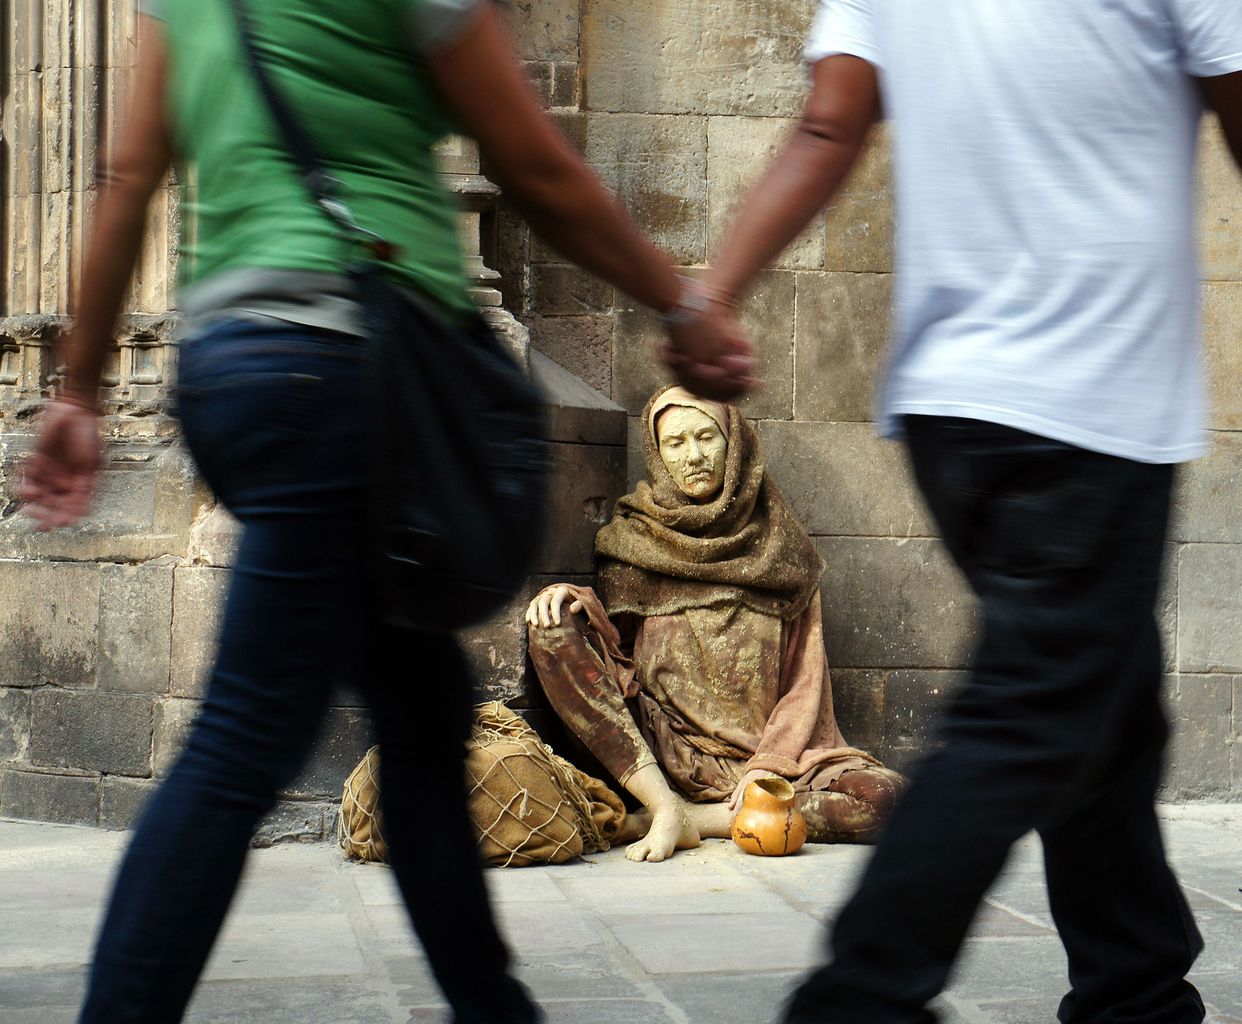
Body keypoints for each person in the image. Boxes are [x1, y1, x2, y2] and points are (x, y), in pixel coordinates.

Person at [18, 1, 756, 1021]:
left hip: (232, 374)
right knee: (245, 735)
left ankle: (494, 1007)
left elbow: (128, 179)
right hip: (343, 367)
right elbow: (533, 163)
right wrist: (678, 302)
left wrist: (78, 392)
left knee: (422, 711)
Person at [666, 1, 1242, 1021]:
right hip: (1089, 399)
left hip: (953, 410)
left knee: (1103, 705)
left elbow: (827, 124)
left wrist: (714, 292)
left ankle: (1138, 992)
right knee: (1035, 707)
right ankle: (862, 996)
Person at [525, 386, 904, 863]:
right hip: (661, 757)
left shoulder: (781, 551)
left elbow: (805, 683)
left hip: (765, 765)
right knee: (552, 621)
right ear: (658, 454)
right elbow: (615, 656)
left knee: (889, 801)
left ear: (735, 444)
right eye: (676, 443)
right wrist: (574, 601)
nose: (694, 456)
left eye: (707, 437)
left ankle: (691, 819)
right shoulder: (634, 539)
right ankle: (664, 803)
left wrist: (767, 767)